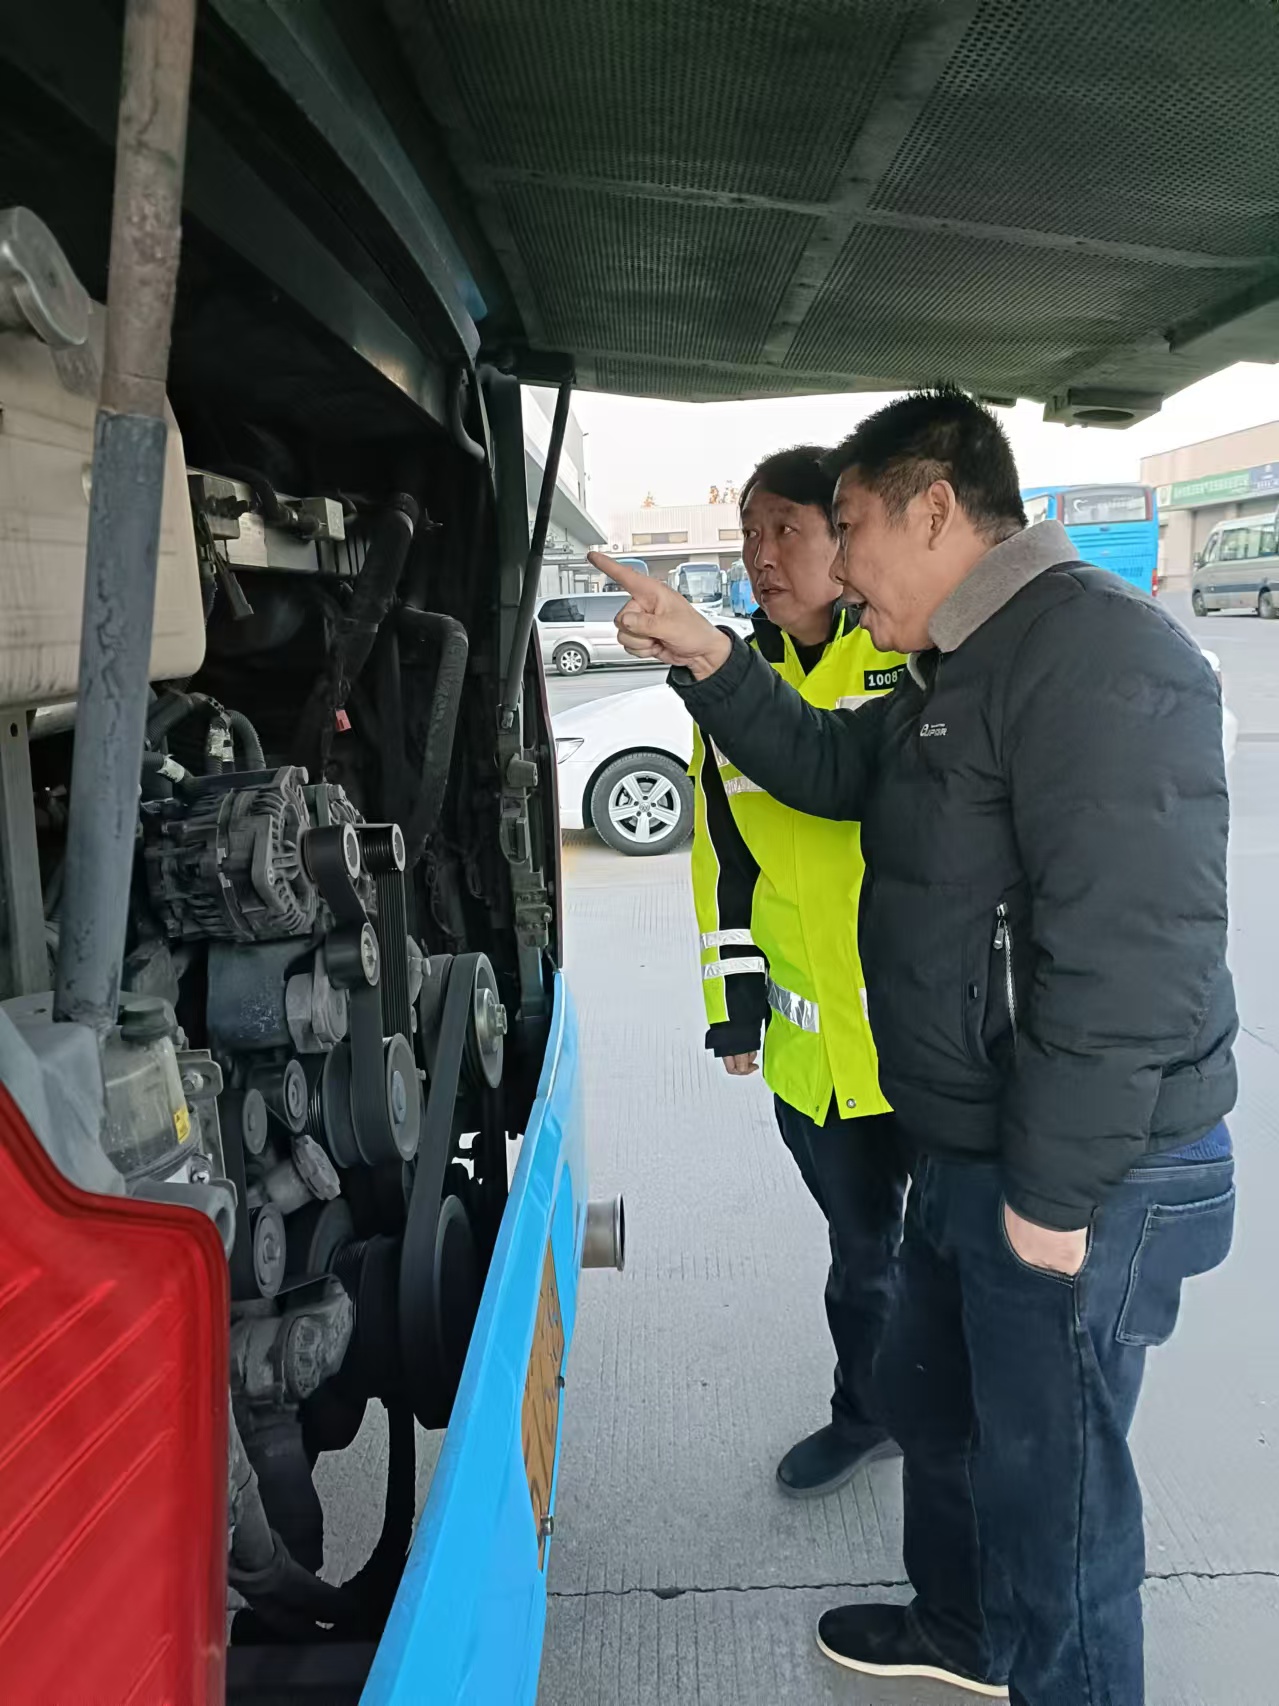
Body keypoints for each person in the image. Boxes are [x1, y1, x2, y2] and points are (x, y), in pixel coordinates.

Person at [589, 385, 1237, 1706]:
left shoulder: (1096, 655)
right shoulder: (960, 665)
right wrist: (709, 656)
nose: (835, 562)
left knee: (1054, 1508)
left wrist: (1052, 1195)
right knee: (931, 1402)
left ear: (933, 506)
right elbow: (830, 767)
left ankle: (1052, 1673)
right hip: (968, 1144)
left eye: (846, 526)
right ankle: (961, 1628)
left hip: (1076, 1168)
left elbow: (1131, 955)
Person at [691, 446, 909, 1497]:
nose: (762, 555)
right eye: (749, 533)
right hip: (815, 1058)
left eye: (787, 529)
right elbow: (719, 859)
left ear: (845, 536)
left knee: (958, 1255)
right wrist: (733, 1008)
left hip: (930, 1045)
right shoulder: (732, 682)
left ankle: (955, 1418)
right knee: (861, 1256)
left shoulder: (907, 655)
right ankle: (865, 1415)